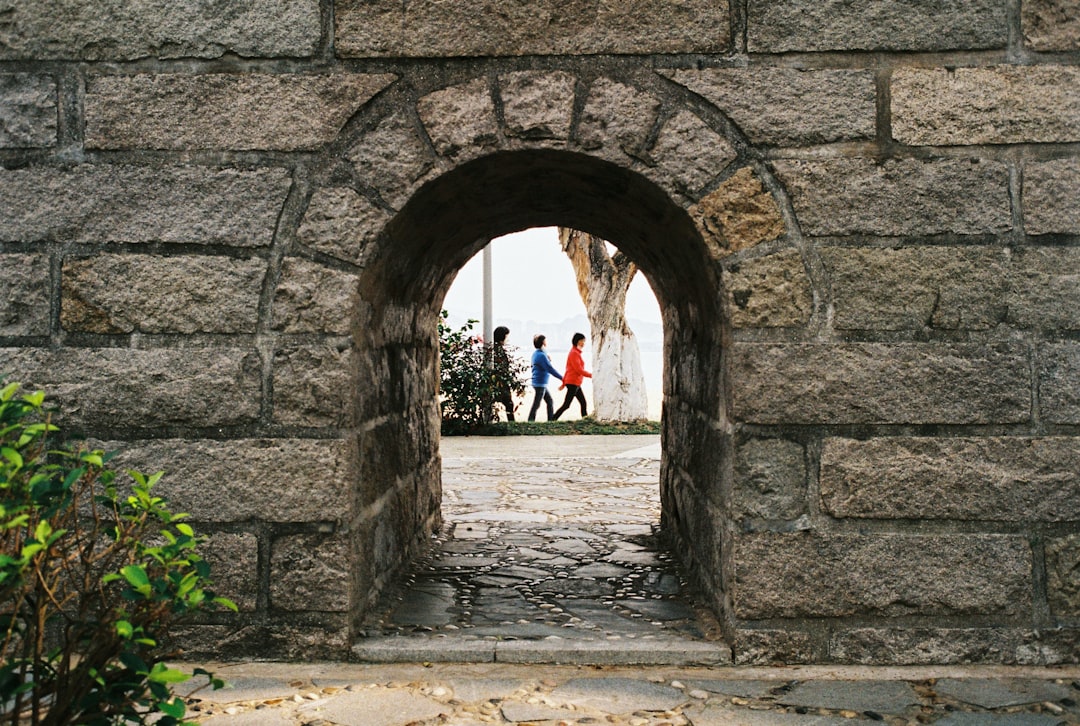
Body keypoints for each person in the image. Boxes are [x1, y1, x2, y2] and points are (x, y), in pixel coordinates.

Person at [552, 332, 592, 420]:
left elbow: (567, 369)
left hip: (575, 383)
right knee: (567, 405)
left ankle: (585, 420)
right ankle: (553, 419)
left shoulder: (576, 352)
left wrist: (563, 383)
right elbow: (579, 370)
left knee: (583, 402)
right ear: (577, 341)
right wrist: (591, 375)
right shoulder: (574, 353)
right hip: (573, 383)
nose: (583, 343)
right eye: (582, 341)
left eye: (584, 341)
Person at [527, 334, 563, 421]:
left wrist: (548, 358)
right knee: (537, 404)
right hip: (540, 383)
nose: (547, 343)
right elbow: (550, 369)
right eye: (545, 341)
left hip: (539, 382)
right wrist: (562, 378)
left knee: (549, 401)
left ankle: (551, 420)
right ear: (543, 342)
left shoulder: (537, 353)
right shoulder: (541, 355)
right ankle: (531, 421)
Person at [492, 326, 515, 421]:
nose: (507, 339)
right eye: (506, 336)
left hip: (498, 382)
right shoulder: (498, 350)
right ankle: (512, 423)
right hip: (501, 382)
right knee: (509, 404)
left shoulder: (495, 349)